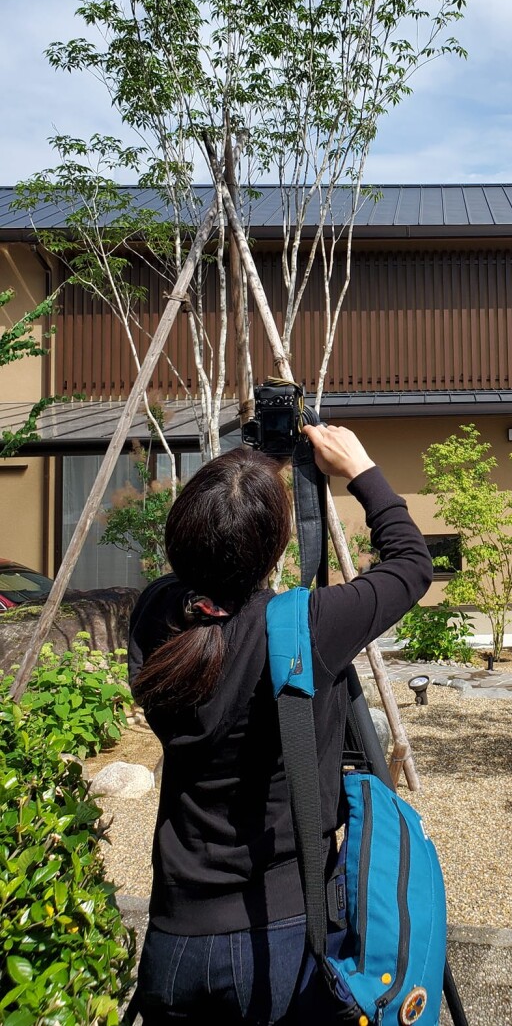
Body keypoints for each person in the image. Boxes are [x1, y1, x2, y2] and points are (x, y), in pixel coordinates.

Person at [128, 425, 433, 1025]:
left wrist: (246, 476)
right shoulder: (304, 630)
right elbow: (411, 564)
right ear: (272, 548)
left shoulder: (154, 617)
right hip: (278, 940)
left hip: (172, 939)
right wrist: (361, 469)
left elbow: (211, 561)